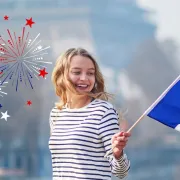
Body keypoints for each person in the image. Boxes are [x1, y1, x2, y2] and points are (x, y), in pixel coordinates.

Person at [49, 48, 131, 180]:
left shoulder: (104, 112)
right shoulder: (56, 114)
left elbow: (121, 173)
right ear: (62, 75)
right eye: (77, 72)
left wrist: (118, 153)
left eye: (90, 73)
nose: (84, 78)